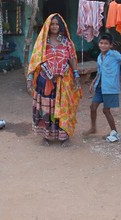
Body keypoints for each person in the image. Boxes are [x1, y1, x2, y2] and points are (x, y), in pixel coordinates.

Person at [26, 13, 82, 147]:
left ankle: (64, 136)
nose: (55, 26)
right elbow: (34, 60)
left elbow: (72, 58)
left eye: (57, 24)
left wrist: (76, 75)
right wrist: (29, 78)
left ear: (61, 26)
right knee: (46, 109)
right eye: (52, 24)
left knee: (64, 108)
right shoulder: (42, 43)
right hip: (45, 81)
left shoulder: (66, 42)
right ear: (48, 26)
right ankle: (46, 136)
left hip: (64, 81)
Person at [83, 33, 121, 142]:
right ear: (98, 44)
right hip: (100, 87)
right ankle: (93, 128)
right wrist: (93, 82)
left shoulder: (114, 55)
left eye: (106, 44)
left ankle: (114, 132)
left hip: (110, 87)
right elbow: (99, 72)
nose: (103, 45)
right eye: (101, 43)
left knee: (106, 110)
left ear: (110, 45)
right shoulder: (99, 56)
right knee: (93, 107)